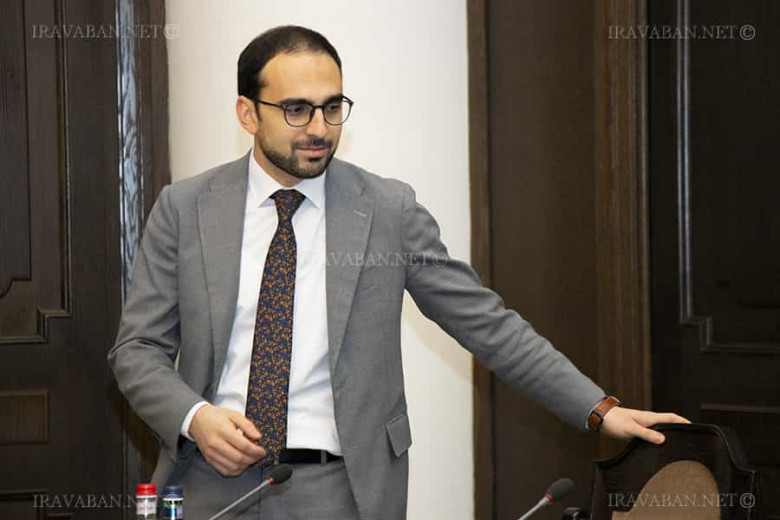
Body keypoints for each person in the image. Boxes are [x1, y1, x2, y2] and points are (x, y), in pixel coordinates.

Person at [108, 25, 688, 520]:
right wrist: (196, 418)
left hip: (340, 491)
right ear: (247, 113)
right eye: (296, 109)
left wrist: (598, 408)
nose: (319, 128)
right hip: (208, 482)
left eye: (332, 107)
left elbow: (488, 324)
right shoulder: (185, 209)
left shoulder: (388, 211)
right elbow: (137, 349)